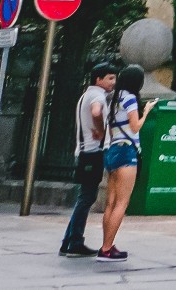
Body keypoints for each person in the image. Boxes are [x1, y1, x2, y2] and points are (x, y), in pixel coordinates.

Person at [59, 61, 117, 258]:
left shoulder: (88, 94)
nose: (113, 82)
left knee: (85, 197)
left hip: (87, 151)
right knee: (86, 198)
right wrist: (101, 131)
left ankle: (68, 241)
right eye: (110, 78)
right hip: (92, 152)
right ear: (98, 79)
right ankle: (75, 241)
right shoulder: (96, 95)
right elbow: (96, 112)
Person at [96, 63, 151, 262]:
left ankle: (106, 245)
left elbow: (111, 129)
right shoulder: (129, 99)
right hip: (127, 151)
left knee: (110, 202)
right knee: (122, 202)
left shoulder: (113, 99)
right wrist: (146, 112)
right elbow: (135, 127)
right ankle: (107, 248)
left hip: (113, 150)